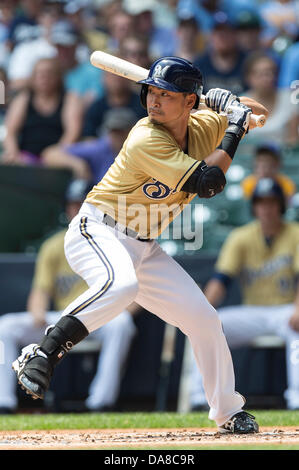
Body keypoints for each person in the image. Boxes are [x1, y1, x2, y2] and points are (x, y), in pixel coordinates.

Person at [12, 56, 268, 434]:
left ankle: (227, 411)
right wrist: (234, 126)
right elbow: (209, 182)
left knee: (204, 319)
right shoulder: (145, 135)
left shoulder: (202, 123)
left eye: (165, 94)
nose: (154, 101)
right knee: (122, 286)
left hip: (144, 246)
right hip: (97, 228)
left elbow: (259, 112)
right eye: (151, 92)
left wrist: (230, 103)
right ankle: (44, 351)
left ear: (189, 102)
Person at [0, 179, 137, 414]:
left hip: (100, 319)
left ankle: (101, 402)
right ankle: (4, 402)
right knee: (6, 326)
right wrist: (38, 314)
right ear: (67, 208)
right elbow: (40, 293)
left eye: (82, 203)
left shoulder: (117, 241)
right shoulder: (55, 245)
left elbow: (135, 291)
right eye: (74, 204)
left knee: (122, 323)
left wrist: (118, 311)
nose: (77, 209)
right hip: (64, 317)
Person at [189, 178, 299, 411]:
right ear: (254, 207)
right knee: (208, 325)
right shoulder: (241, 237)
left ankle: (296, 399)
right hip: (253, 311)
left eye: (271, 202)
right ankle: (200, 397)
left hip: (286, 310)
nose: (266, 208)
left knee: (297, 327)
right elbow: (221, 280)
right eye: (261, 203)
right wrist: (201, 313)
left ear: (280, 205)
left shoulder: (295, 233)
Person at [3, 57, 82, 164]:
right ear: (33, 77)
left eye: (49, 73)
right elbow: (10, 132)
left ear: (58, 76)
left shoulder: (69, 98)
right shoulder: (23, 99)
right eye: (39, 74)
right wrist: (14, 154)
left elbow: (73, 132)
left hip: (57, 158)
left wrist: (56, 154)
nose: (44, 77)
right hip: (26, 158)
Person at [42, 107, 138, 183]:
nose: (117, 136)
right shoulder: (101, 147)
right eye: (114, 132)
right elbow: (50, 154)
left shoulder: (143, 151)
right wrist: (78, 164)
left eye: (122, 132)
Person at [241, 51, 299, 145]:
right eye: (262, 74)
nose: (268, 78)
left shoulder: (291, 100)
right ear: (249, 77)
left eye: (272, 72)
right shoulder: (240, 104)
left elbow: (294, 142)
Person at [194, 12, 248, 96]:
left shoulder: (247, 62)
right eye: (218, 32)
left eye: (227, 32)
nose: (223, 37)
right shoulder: (199, 65)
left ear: (235, 35)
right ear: (211, 36)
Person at [82, 70, 146, 138]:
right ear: (103, 79)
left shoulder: (143, 104)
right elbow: (88, 138)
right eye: (112, 75)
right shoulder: (96, 107)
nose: (117, 78)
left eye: (121, 74)